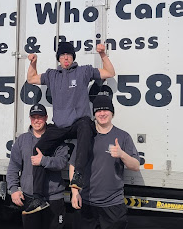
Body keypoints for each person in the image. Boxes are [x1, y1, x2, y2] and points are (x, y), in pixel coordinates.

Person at [25, 40, 115, 214]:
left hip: (78, 122)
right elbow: (31, 78)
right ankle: (38, 197)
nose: (65, 57)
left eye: (68, 55)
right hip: (60, 125)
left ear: (73, 57)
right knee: (38, 149)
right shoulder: (52, 75)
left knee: (86, 126)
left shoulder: (83, 71)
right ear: (58, 58)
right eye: (62, 55)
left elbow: (110, 72)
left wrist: (102, 54)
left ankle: (78, 175)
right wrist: (33, 63)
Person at [66, 93, 140, 229]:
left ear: (112, 112)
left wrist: (122, 155)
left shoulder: (122, 136)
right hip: (87, 199)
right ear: (94, 114)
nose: (102, 113)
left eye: (105, 109)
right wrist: (74, 191)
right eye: (98, 110)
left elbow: (135, 165)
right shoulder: (87, 136)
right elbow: (73, 165)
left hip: (113, 202)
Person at [6, 103, 72, 229]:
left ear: (46, 118)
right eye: (34, 117)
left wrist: (43, 160)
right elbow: (13, 168)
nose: (37, 120)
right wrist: (14, 189)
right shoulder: (22, 141)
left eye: (40, 117)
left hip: (53, 197)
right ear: (30, 119)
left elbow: (62, 162)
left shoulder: (56, 139)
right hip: (29, 197)